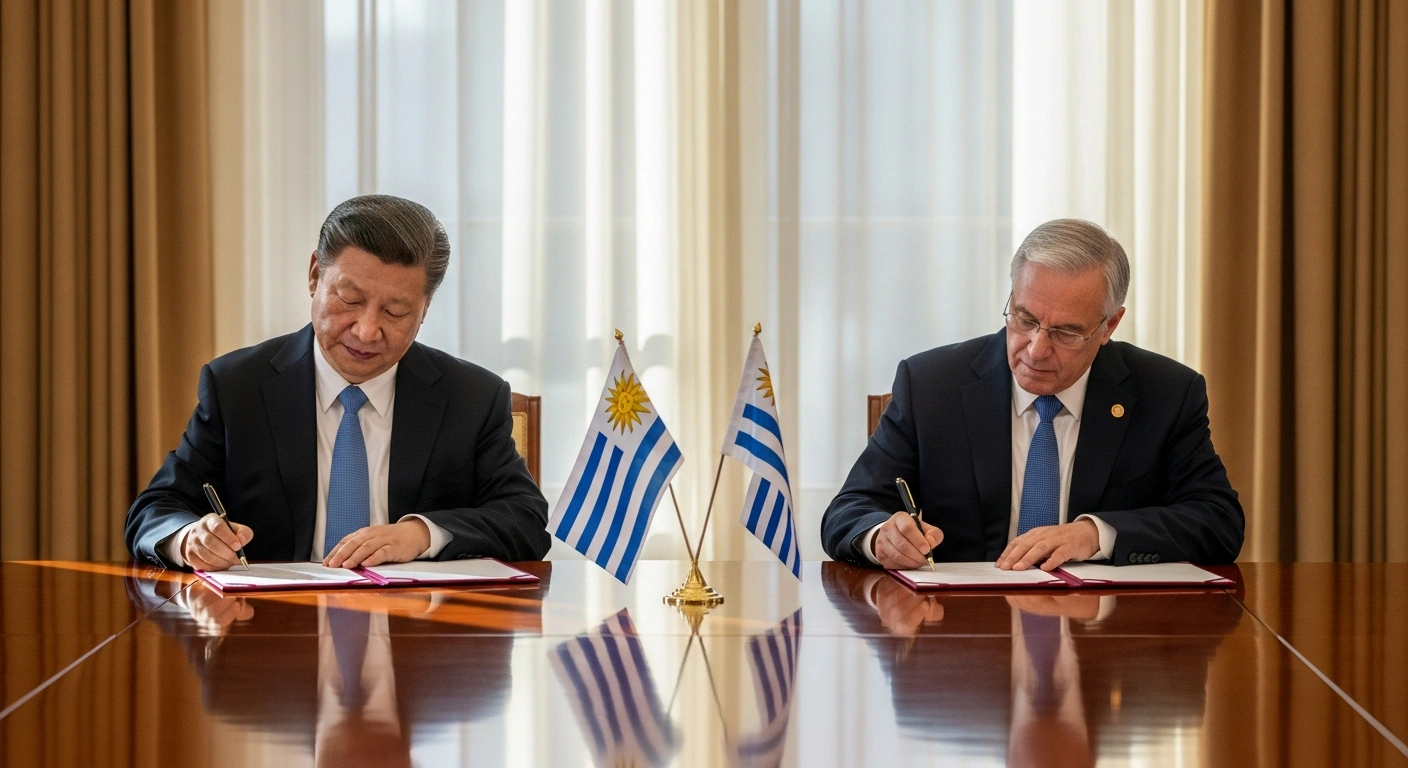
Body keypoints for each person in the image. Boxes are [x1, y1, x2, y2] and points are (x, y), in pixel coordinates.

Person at [125, 195, 551, 571]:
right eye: (349, 300)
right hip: (271, 631)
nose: (366, 330)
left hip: (418, 636)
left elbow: (524, 520)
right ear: (315, 276)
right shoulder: (238, 387)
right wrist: (188, 539)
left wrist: (420, 535)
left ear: (424, 310)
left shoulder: (470, 397)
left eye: (396, 311)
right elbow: (156, 510)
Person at [821, 218, 1243, 571]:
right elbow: (850, 508)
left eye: (1066, 332)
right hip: (958, 636)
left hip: (1102, 639)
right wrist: (881, 538)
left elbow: (1218, 522)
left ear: (1109, 327)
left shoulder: (1166, 393)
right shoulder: (932, 385)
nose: (1036, 349)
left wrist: (1095, 534)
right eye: (1024, 319)